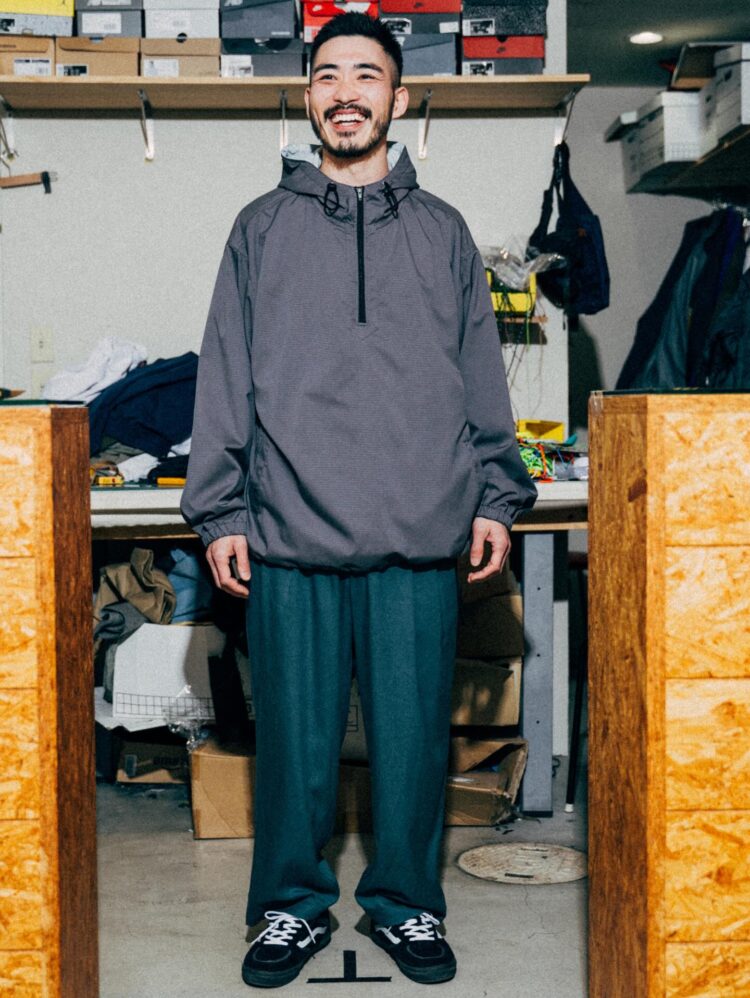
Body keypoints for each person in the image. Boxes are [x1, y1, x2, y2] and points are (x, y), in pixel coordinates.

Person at [181, 12, 536, 989]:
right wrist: (221, 510)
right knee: (293, 748)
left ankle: (406, 902)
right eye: (328, 74)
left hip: (418, 532)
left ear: (399, 97)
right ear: (309, 96)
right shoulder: (260, 228)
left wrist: (497, 495)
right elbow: (225, 373)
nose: (346, 92)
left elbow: (479, 375)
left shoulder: (443, 231)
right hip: (288, 532)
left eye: (366, 75)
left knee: (413, 744)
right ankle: (289, 907)